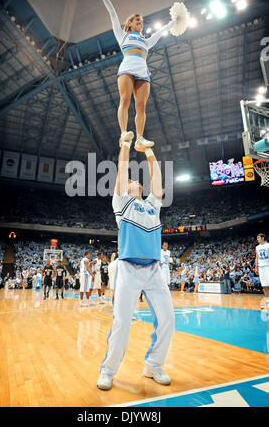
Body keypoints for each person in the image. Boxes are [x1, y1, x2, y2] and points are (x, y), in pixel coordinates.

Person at [97, 134, 175, 391]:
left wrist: (149, 153)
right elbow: (121, 173)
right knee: (121, 322)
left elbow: (158, 181)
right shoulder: (122, 203)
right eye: (130, 181)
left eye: (135, 181)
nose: (133, 182)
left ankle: (153, 365)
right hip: (128, 268)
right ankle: (108, 370)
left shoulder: (153, 205)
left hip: (153, 269)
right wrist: (126, 146)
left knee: (168, 319)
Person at [99, 0, 185, 152]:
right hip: (127, 69)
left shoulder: (147, 41)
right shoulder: (122, 35)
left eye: (142, 20)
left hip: (143, 72)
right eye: (137, 20)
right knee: (124, 100)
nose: (141, 22)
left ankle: (139, 139)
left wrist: (176, 20)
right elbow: (112, 12)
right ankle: (123, 133)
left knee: (141, 106)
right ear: (129, 23)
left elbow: (162, 30)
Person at [255, 233, 269, 309]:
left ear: (263, 238)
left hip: (268, 266)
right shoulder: (257, 247)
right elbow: (257, 257)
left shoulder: (268, 245)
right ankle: (267, 303)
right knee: (264, 286)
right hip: (261, 267)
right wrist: (256, 267)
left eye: (258, 238)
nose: (257, 239)